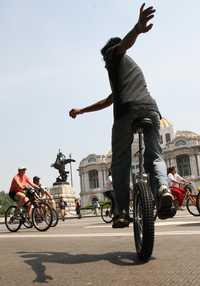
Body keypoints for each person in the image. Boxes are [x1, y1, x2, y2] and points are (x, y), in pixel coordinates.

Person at [69, 4, 174, 227]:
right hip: (152, 110)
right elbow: (107, 101)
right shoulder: (129, 73)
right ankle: (163, 189)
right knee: (154, 156)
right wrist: (82, 110)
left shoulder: (115, 55)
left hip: (127, 112)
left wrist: (136, 28)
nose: (105, 64)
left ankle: (122, 212)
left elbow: (122, 46)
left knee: (120, 161)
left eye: (104, 59)